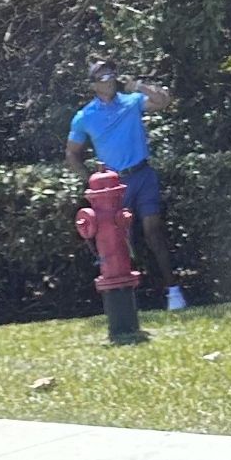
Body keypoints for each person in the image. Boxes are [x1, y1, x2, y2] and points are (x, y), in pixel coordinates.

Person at [65, 58, 186, 310]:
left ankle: (173, 291)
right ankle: (130, 300)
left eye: (111, 75)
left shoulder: (131, 102)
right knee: (120, 242)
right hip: (113, 186)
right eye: (102, 77)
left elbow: (163, 101)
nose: (109, 81)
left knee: (153, 230)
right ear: (93, 85)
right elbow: (72, 154)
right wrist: (92, 182)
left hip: (143, 174)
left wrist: (138, 85)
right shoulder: (84, 116)